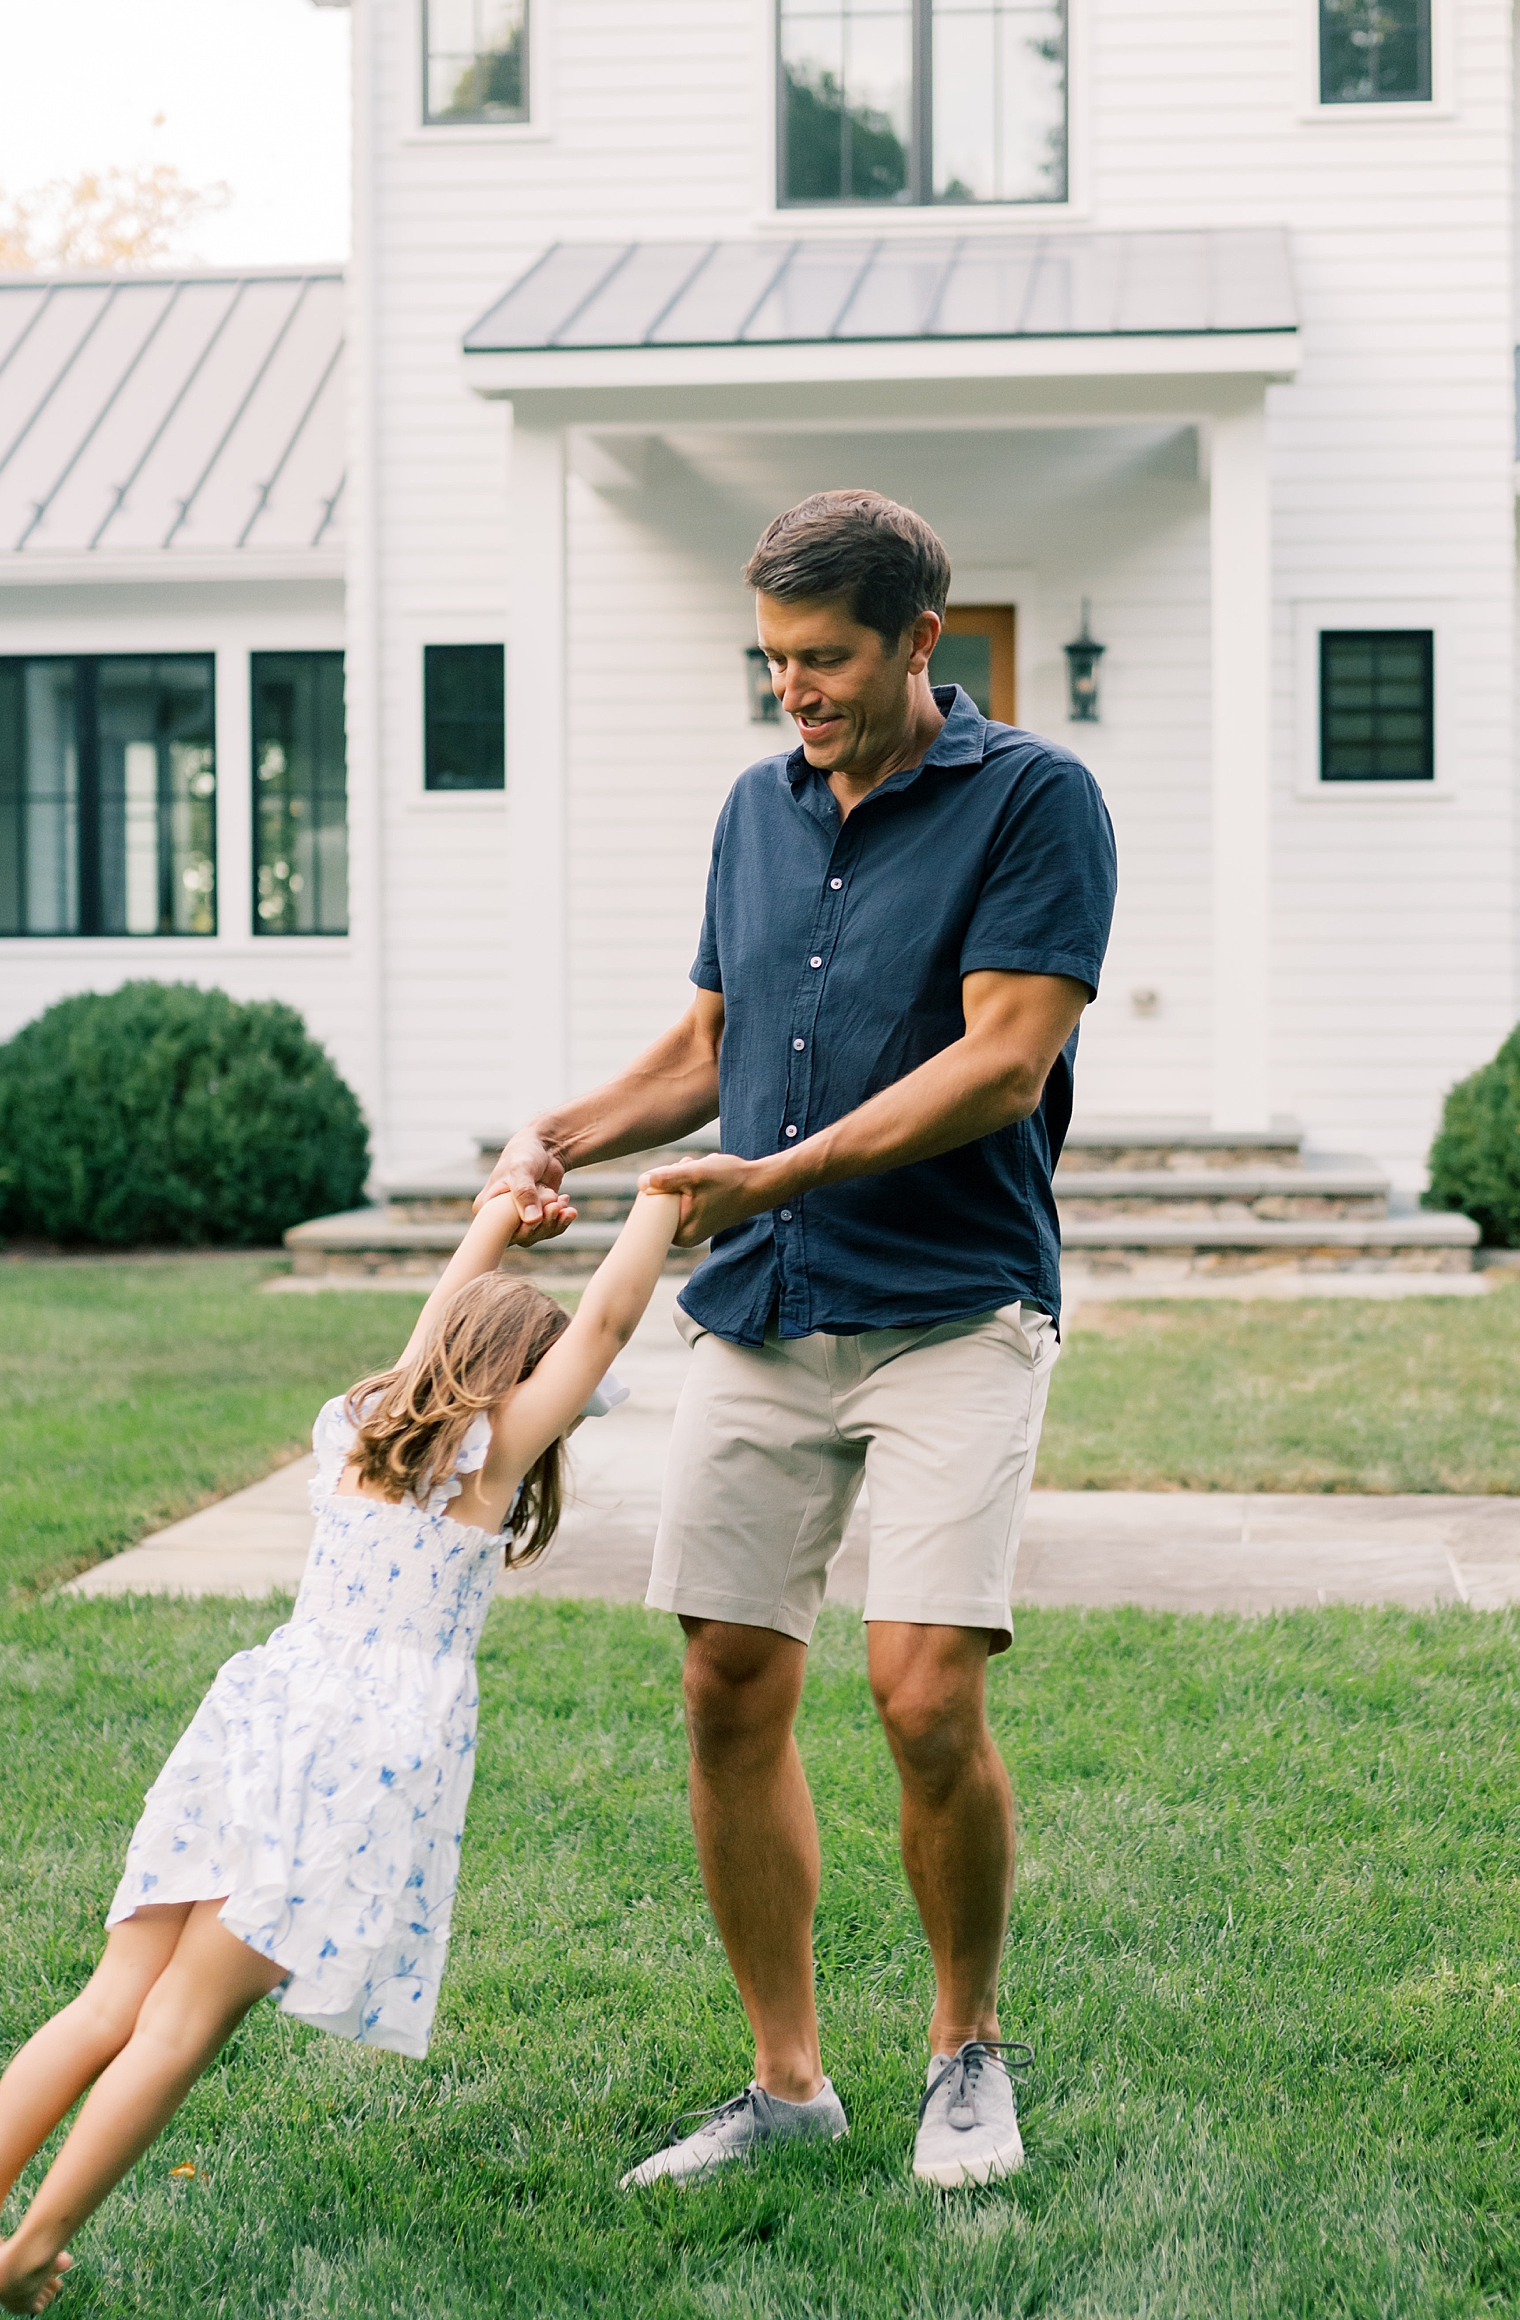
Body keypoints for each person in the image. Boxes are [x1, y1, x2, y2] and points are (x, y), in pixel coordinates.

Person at [480, 489, 1117, 2190]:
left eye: (826, 659)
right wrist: (563, 1133)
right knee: (727, 1686)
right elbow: (714, 1038)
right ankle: (786, 2087)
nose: (798, 693)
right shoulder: (756, 815)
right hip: (763, 1315)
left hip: (951, 1312)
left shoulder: (1037, 802)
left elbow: (1005, 1059)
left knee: (922, 1696)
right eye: (774, 662)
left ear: (924, 638)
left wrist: (789, 1166)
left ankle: (966, 2052)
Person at [0, 1182, 682, 2312]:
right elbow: (605, 1321)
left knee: (112, 1998)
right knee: (179, 2021)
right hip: (353, 1760)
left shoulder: (365, 1425)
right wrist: (664, 1201)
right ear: (525, 1384)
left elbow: (439, 1319)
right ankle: (24, 2247)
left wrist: (498, 1220)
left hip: (260, 1715)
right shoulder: (491, 1461)